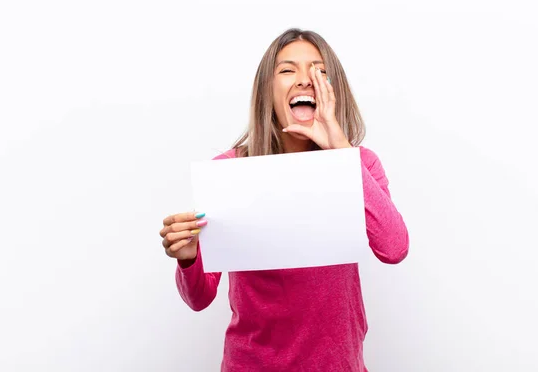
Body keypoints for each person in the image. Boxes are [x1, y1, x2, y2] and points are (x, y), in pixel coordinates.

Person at [159, 28, 409, 371]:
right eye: (288, 70)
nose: (305, 80)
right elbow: (199, 298)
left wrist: (339, 148)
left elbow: (394, 247)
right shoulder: (230, 171)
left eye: (319, 71)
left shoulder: (359, 164)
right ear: (268, 90)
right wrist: (188, 260)